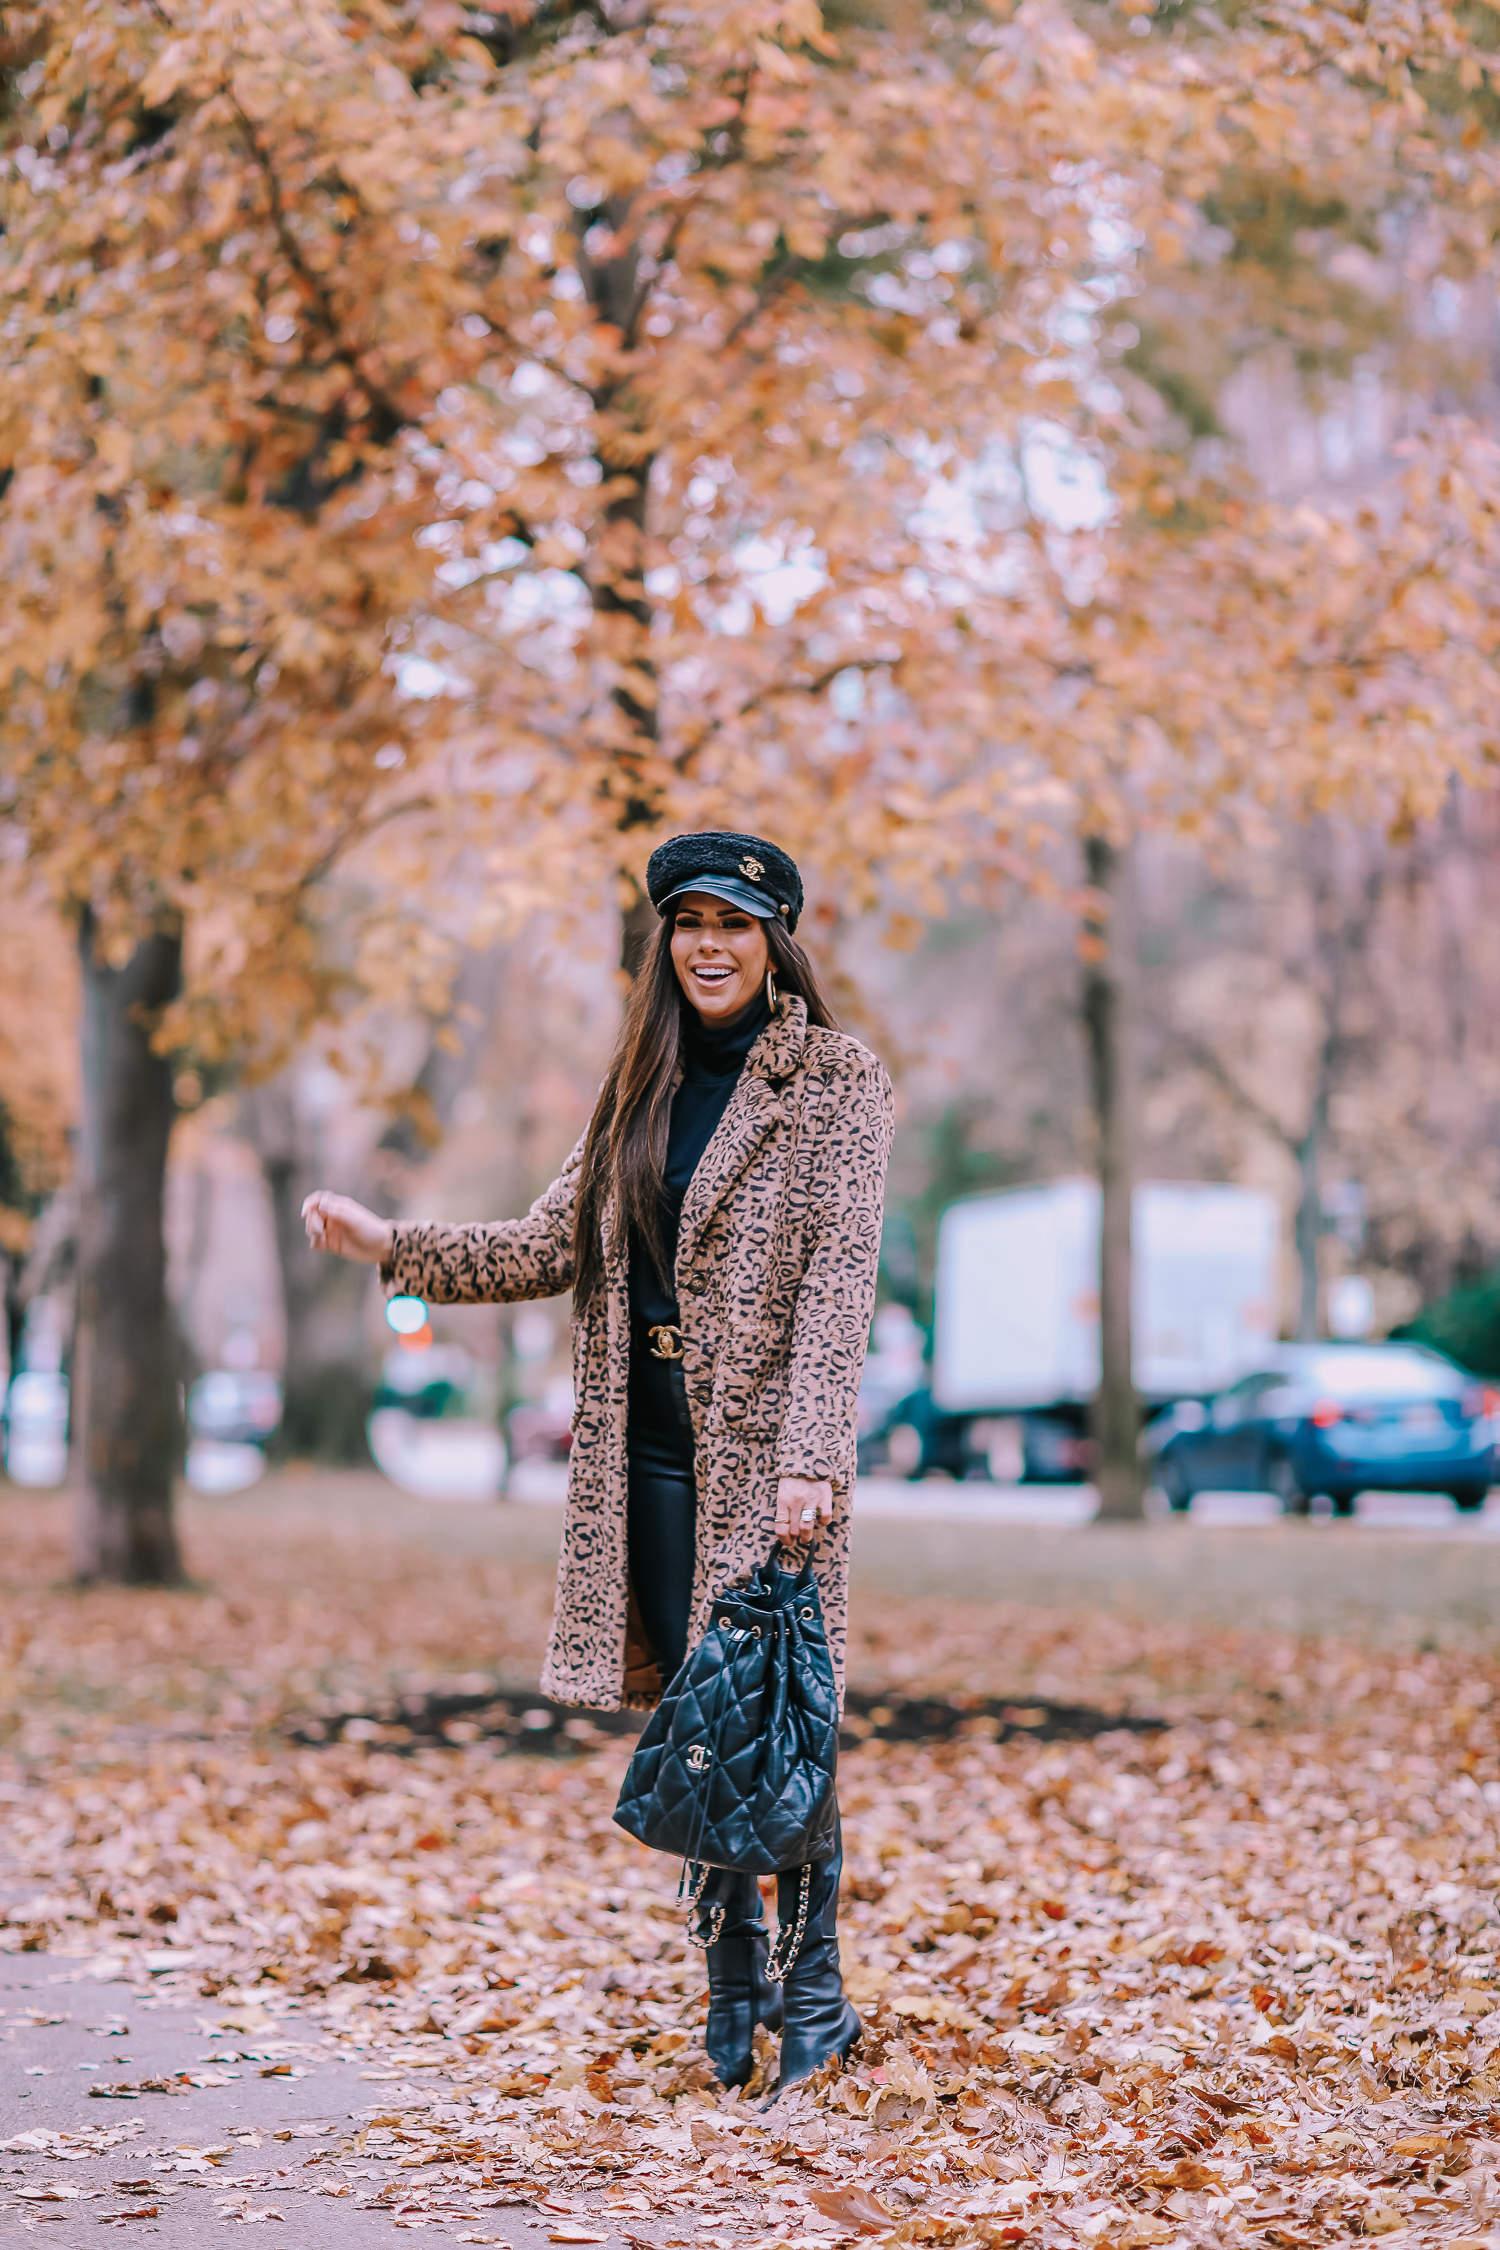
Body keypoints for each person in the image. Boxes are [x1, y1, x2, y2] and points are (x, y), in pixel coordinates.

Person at [303, 831, 894, 2099]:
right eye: (690, 925)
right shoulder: (640, 1080)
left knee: (782, 1719)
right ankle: (731, 1982)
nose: (710, 948)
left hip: (770, 1464)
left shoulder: (836, 1081)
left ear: (776, 942)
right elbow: (541, 1246)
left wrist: (812, 1461)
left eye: (736, 925)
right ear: (664, 943)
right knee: (703, 1720)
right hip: (653, 1456)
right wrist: (388, 1243)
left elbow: (842, 1283)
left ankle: (818, 1993)